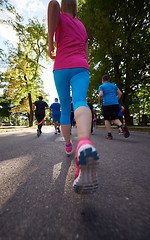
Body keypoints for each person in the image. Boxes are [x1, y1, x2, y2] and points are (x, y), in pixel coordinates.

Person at [48, 0, 99, 194]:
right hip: (80, 66)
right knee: (79, 101)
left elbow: (52, 4)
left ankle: (69, 147)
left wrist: (50, 42)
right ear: (76, 7)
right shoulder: (82, 26)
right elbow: (86, 54)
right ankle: (84, 143)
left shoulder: (59, 16)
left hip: (61, 66)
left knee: (64, 108)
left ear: (64, 4)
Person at [98, 75, 130, 139]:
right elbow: (120, 93)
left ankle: (109, 135)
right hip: (115, 104)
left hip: (107, 105)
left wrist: (99, 102)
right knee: (114, 118)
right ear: (108, 80)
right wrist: (116, 99)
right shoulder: (114, 86)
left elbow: (101, 94)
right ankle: (122, 125)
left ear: (102, 80)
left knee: (107, 119)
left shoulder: (102, 86)